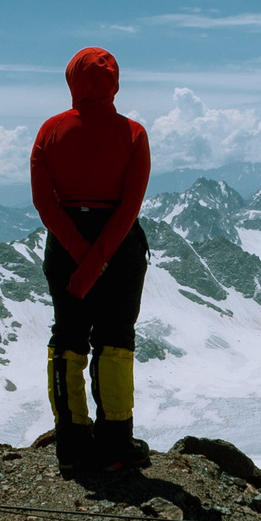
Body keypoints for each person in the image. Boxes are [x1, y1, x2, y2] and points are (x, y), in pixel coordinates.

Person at [30, 46, 152, 477]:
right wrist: (101, 258)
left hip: (65, 247)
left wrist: (82, 259)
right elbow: (129, 207)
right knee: (115, 337)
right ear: (114, 82)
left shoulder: (49, 132)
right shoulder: (133, 134)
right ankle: (117, 442)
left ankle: (72, 445)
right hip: (118, 247)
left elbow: (44, 203)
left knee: (67, 337)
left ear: (71, 80)